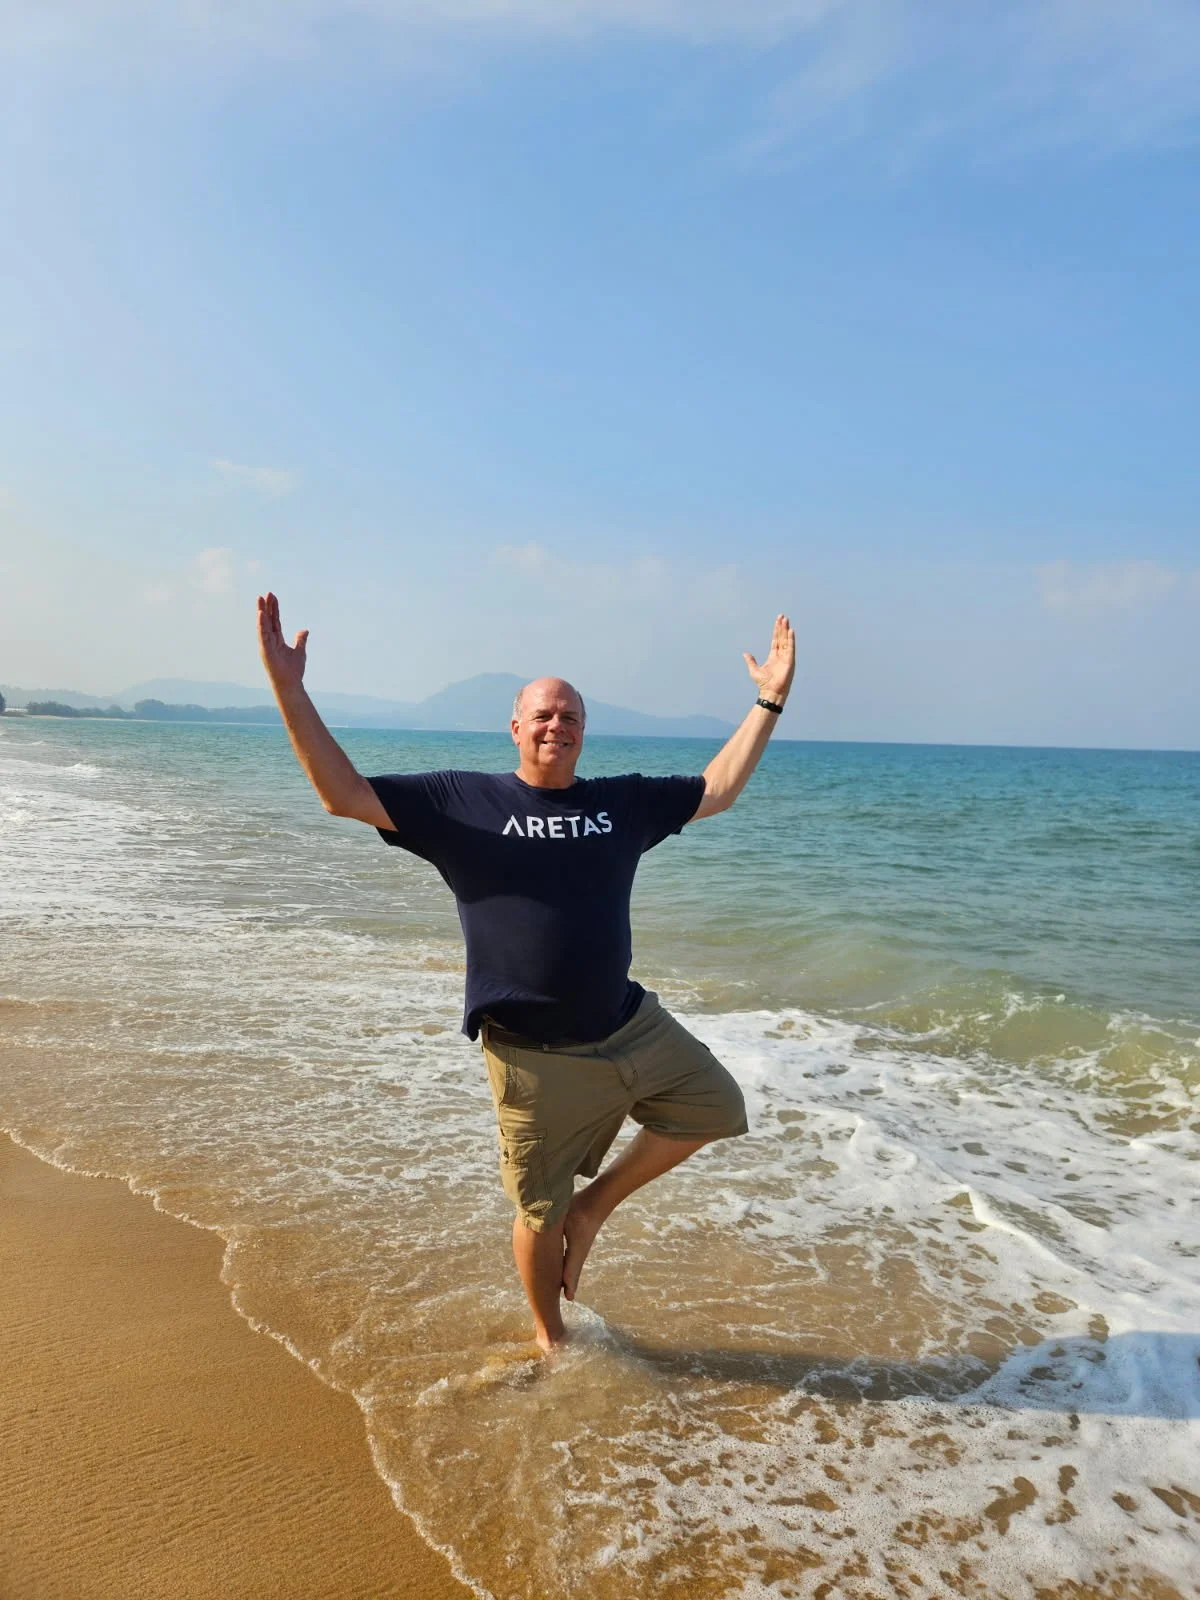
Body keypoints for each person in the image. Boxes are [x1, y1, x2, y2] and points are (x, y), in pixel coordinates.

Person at [257, 593, 796, 1350]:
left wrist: (769, 697)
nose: (557, 724)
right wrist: (289, 688)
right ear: (515, 728)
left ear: (583, 734)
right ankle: (552, 1338)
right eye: (543, 714)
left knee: (717, 1107)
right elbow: (342, 794)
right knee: (538, 1213)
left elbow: (719, 789)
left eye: (571, 716)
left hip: (628, 1024)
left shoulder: (621, 804)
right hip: (532, 1055)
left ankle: (596, 1207)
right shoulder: (461, 801)